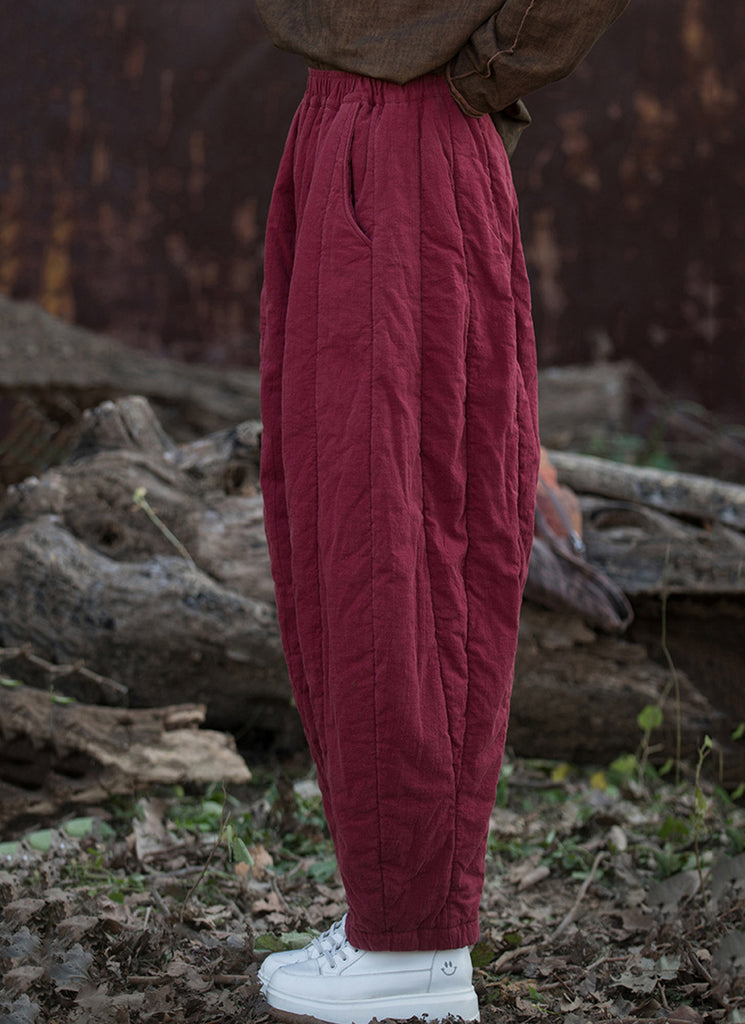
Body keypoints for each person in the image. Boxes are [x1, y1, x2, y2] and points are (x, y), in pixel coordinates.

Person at [253, 2, 630, 1022]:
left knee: (401, 541)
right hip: (345, 120)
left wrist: (487, 71)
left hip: (408, 132)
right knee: (337, 531)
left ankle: (415, 947)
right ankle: (390, 918)